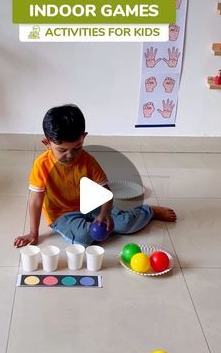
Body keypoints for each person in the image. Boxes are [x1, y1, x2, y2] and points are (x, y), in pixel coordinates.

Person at [14, 104, 176, 248]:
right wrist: (33, 233)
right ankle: (96, 223)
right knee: (84, 238)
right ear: (47, 144)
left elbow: (106, 192)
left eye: (77, 148)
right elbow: (35, 201)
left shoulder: (88, 161)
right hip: (61, 214)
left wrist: (104, 214)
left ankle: (149, 211)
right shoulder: (41, 165)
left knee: (126, 224)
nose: (70, 155)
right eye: (62, 150)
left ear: (83, 137)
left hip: (91, 205)